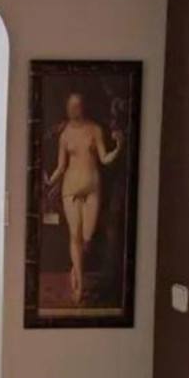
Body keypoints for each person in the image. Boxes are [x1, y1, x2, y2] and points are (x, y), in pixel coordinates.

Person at [44, 92, 124, 304]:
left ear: (83, 107)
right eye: (70, 106)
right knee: (75, 235)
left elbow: (104, 159)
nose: (74, 109)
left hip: (92, 188)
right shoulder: (65, 135)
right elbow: (61, 166)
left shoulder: (94, 130)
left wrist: (119, 147)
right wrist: (50, 181)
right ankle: (79, 285)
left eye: (77, 105)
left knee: (87, 238)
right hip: (70, 189)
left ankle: (75, 269)